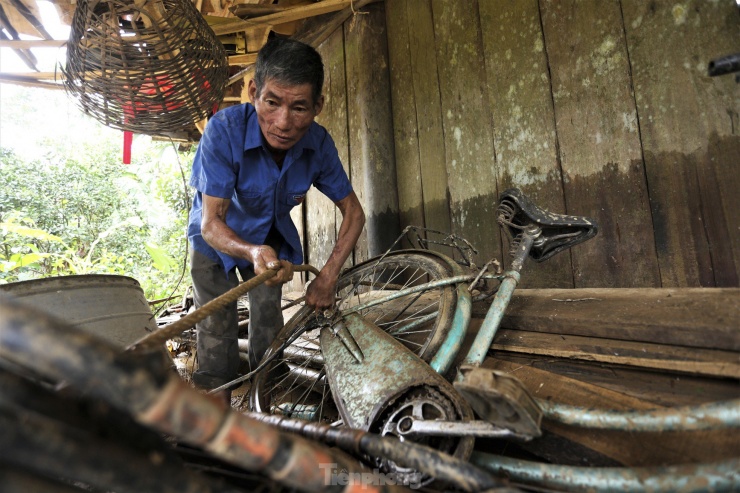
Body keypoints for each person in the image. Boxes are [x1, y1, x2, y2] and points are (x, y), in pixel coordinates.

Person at [186, 37, 365, 402]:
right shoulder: (223, 131)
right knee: (216, 327)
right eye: (272, 103)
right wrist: (251, 251)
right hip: (214, 241)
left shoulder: (318, 145)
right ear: (254, 92)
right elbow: (211, 223)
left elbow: (354, 212)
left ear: (318, 105)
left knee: (268, 322)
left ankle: (266, 404)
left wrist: (328, 277)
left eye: (299, 107)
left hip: (271, 239)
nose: (283, 122)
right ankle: (211, 423)